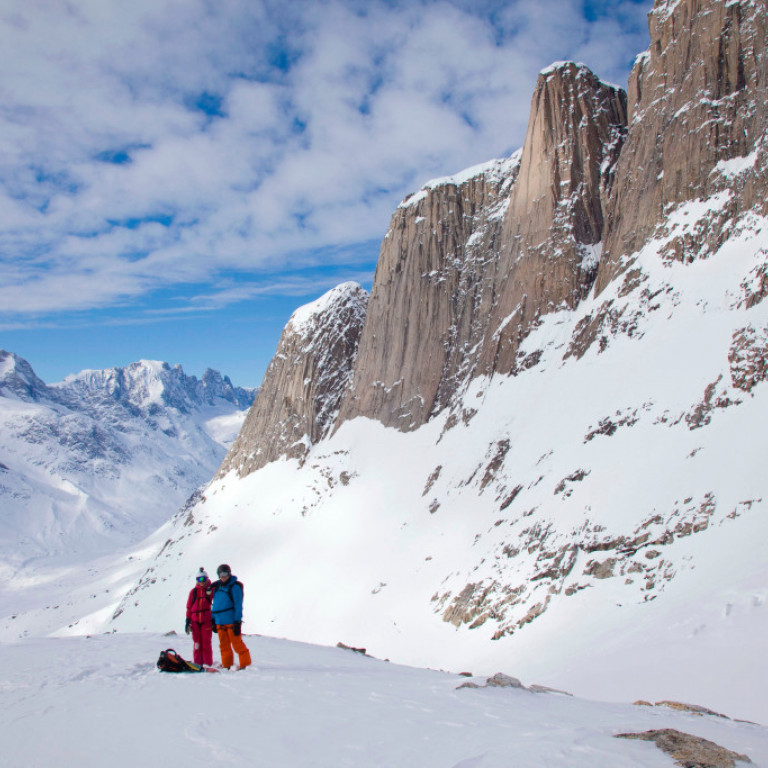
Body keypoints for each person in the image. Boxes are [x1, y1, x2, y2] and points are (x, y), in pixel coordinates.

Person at [211, 563, 252, 670]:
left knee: (237, 644)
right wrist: (213, 620)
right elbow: (215, 604)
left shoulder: (234, 587)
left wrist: (237, 622)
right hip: (219, 622)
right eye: (221, 574)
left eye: (225, 573)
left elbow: (238, 605)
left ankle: (245, 665)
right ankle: (226, 665)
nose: (223, 576)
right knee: (224, 646)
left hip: (231, 622)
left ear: (229, 574)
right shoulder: (217, 587)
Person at [185, 567, 213, 666]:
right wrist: (187, 621)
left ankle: (207, 664)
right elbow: (189, 607)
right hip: (195, 621)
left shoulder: (211, 590)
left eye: (203, 579)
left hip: (207, 621)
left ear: (207, 579)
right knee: (197, 644)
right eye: (199, 579)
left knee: (206, 644)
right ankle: (198, 664)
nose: (202, 582)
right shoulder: (193, 592)